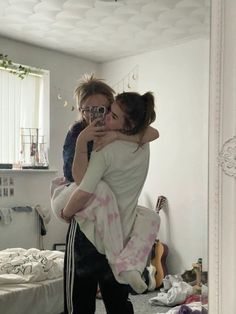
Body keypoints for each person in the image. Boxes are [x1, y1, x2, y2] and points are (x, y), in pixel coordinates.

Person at [60, 74, 159, 314]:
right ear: (81, 110)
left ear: (110, 108)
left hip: (117, 228)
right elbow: (76, 181)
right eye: (88, 110)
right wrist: (84, 141)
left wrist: (117, 135)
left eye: (101, 109)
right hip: (86, 231)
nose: (95, 115)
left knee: (117, 298)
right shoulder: (77, 134)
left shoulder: (120, 133)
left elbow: (151, 132)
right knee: (80, 301)